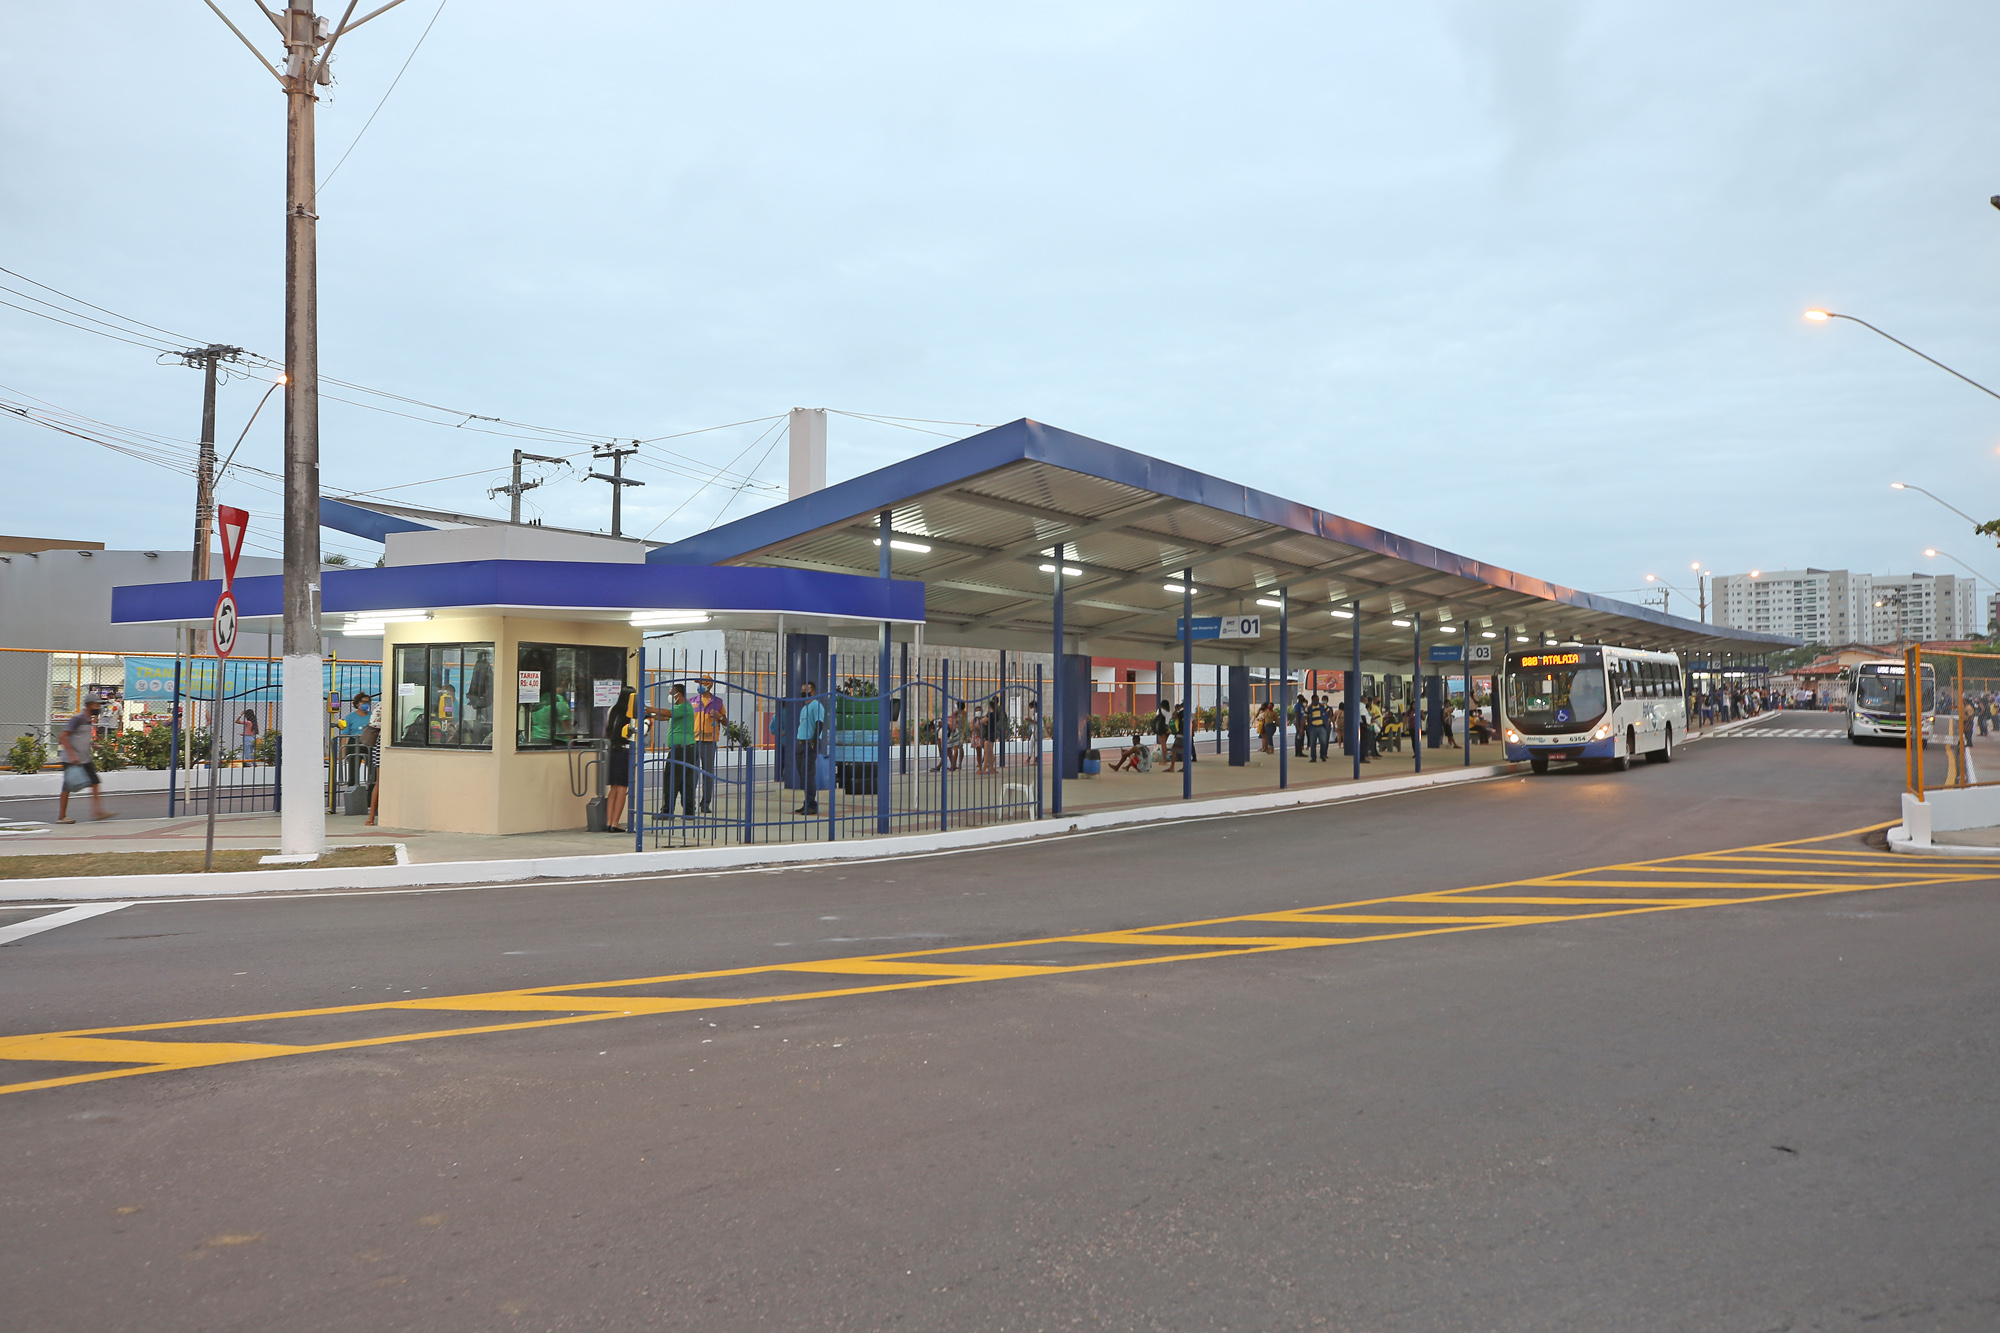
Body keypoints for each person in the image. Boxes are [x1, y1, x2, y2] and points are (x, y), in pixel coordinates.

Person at [56, 696, 109, 823]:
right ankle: (61, 816)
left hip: (84, 758)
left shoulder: (87, 720)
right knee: (67, 787)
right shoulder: (77, 719)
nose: (99, 708)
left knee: (95, 782)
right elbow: (63, 737)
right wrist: (72, 755)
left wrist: (92, 744)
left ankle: (98, 812)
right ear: (89, 705)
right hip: (72, 759)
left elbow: (80, 736)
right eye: (97, 705)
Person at [690, 676, 727, 814]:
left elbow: (725, 722)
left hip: (710, 742)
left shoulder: (718, 702)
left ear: (709, 685)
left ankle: (705, 803)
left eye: (702, 683)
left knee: (708, 774)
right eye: (699, 683)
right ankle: (690, 804)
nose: (700, 685)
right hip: (693, 741)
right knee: (692, 774)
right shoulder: (692, 702)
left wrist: (719, 716)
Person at [659, 683, 696, 819]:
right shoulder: (681, 708)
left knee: (672, 780)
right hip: (688, 749)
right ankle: (689, 812)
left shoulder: (683, 707)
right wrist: (650, 715)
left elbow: (667, 713)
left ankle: (667, 812)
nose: (669, 696)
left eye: (671, 693)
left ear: (678, 694)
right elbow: (665, 716)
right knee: (686, 782)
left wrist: (647, 708)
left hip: (681, 750)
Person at [604, 685, 635, 833]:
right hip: (625, 750)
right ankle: (616, 822)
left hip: (612, 750)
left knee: (613, 788)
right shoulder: (630, 713)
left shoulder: (612, 710)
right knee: (622, 788)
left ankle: (609, 821)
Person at [794, 680, 826, 815]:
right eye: (802, 689)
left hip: (809, 744)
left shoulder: (816, 706)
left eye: (805, 690)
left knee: (808, 775)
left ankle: (812, 804)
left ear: (812, 691)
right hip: (800, 744)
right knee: (803, 776)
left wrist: (813, 741)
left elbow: (819, 724)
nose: (802, 692)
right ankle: (807, 802)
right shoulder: (804, 707)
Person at [1304, 694, 1329, 762]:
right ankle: (1313, 757)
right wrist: (1302, 725)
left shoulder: (1323, 706)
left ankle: (1322, 755)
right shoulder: (1308, 708)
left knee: (1323, 742)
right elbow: (1305, 717)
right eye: (1315, 700)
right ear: (1312, 700)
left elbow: (1329, 711)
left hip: (1322, 726)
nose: (1317, 701)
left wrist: (1328, 719)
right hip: (1313, 727)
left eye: (1318, 700)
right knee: (1312, 743)